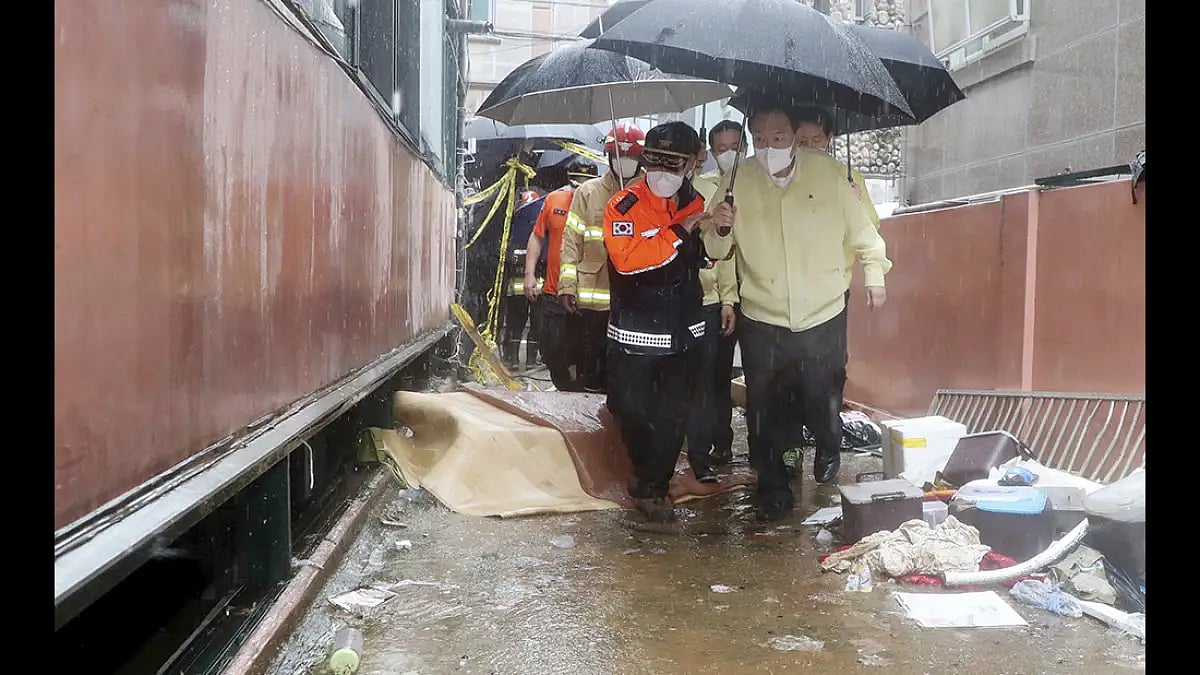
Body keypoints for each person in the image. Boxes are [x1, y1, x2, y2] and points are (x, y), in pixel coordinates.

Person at [705, 104, 892, 522]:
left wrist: (875, 274)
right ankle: (773, 487)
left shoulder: (828, 174)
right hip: (762, 314)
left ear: (794, 137)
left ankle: (828, 441)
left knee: (822, 394)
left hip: (823, 310)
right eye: (760, 139)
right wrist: (719, 225)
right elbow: (715, 249)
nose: (769, 147)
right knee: (764, 406)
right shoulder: (738, 181)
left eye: (778, 138)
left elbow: (864, 230)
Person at [603, 121, 710, 522]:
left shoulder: (697, 203)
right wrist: (678, 231)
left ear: (692, 165)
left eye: (673, 164)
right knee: (627, 407)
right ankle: (645, 468)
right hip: (635, 330)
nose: (662, 172)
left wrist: (718, 230)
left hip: (684, 330)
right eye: (655, 161)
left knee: (674, 414)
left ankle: (653, 486)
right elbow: (627, 259)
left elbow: (709, 258)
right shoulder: (623, 206)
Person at [558, 123, 646, 393]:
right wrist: (567, 286)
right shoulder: (588, 193)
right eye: (619, 156)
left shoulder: (650, 194)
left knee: (628, 371)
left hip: (636, 298)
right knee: (592, 368)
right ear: (608, 156)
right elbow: (571, 241)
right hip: (594, 298)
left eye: (631, 157)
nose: (624, 162)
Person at [692, 120, 745, 467]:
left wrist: (728, 298)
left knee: (717, 378)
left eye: (735, 148)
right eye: (721, 149)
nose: (728, 155)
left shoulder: (723, 191)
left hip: (718, 300)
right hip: (686, 301)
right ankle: (694, 446)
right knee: (692, 379)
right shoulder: (697, 190)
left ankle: (721, 442)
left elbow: (724, 255)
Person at [525, 160, 598, 391]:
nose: (581, 189)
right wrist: (529, 274)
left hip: (589, 294)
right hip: (554, 291)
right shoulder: (554, 201)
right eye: (577, 183)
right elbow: (537, 236)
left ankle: (578, 391)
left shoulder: (603, 204)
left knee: (585, 352)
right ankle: (564, 385)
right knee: (552, 349)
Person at [500, 189, 545, 370]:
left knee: (516, 323)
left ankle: (512, 358)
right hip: (536, 284)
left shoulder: (513, 226)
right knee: (535, 323)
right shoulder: (539, 226)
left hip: (520, 284)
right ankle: (529, 360)